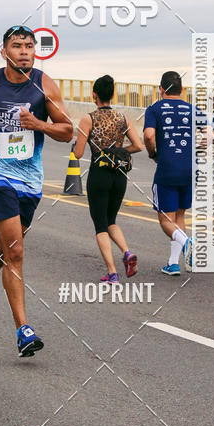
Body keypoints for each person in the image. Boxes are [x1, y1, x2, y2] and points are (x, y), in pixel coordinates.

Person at [0, 25, 73, 358]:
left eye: (29, 46)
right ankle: (24, 329)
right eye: (17, 45)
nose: (24, 51)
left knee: (14, 239)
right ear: (4, 51)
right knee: (17, 252)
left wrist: (39, 125)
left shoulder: (44, 84)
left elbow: (67, 131)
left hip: (29, 176)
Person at [73, 74, 143, 282]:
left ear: (94, 94)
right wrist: (118, 153)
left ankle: (112, 272)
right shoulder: (123, 118)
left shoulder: (88, 119)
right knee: (111, 219)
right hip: (119, 175)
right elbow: (138, 146)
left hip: (99, 174)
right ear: (112, 94)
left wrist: (101, 153)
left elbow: (77, 153)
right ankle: (127, 252)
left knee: (100, 225)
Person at [143, 71, 194, 276]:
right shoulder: (192, 109)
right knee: (179, 215)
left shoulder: (154, 109)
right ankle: (173, 263)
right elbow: (210, 135)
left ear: (161, 89)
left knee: (166, 219)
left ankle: (187, 242)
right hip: (189, 169)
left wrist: (153, 152)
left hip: (167, 169)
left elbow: (148, 135)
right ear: (182, 90)